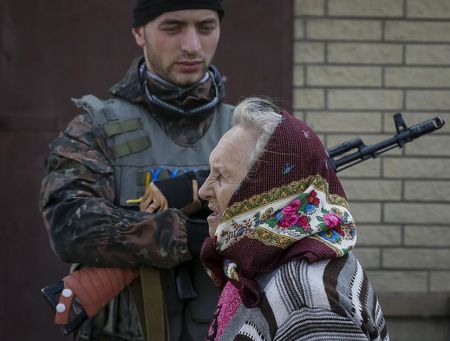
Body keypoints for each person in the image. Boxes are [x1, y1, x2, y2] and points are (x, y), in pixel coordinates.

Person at [39, 1, 233, 340]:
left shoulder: (249, 129)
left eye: (205, 27)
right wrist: (190, 237)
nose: (192, 45)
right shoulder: (96, 127)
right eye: (172, 28)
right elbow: (70, 224)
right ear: (138, 33)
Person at [199, 97, 389, 340]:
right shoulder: (262, 262)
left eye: (222, 176)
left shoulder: (306, 300)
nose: (203, 191)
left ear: (268, 194)